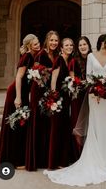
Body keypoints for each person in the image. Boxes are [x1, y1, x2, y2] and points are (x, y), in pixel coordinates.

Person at [44, 34, 106, 186]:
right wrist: (97, 89)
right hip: (94, 96)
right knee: (95, 126)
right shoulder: (91, 57)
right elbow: (89, 76)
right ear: (102, 43)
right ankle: (93, 157)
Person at [0, 34, 40, 168]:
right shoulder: (27, 57)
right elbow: (19, 77)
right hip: (16, 94)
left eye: (38, 43)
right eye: (35, 44)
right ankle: (13, 161)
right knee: (15, 127)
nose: (38, 45)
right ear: (28, 46)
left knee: (20, 127)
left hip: (23, 94)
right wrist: (18, 97)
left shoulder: (33, 57)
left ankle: (16, 159)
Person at [25, 30, 60, 171]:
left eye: (56, 40)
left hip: (49, 92)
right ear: (47, 40)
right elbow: (36, 75)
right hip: (39, 91)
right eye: (51, 40)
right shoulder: (41, 55)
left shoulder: (57, 55)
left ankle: (48, 158)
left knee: (48, 125)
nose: (54, 43)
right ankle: (37, 160)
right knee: (38, 123)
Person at [48, 37, 75, 169]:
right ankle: (55, 161)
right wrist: (53, 99)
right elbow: (53, 80)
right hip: (58, 99)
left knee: (64, 128)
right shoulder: (59, 60)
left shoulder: (69, 60)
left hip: (66, 99)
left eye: (71, 45)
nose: (69, 47)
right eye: (66, 45)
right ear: (61, 48)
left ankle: (63, 160)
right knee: (57, 129)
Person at [69, 36, 92, 157]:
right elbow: (73, 79)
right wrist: (83, 83)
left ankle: (90, 152)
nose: (83, 47)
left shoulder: (93, 59)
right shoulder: (74, 61)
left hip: (91, 95)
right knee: (78, 124)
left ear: (89, 45)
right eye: (80, 45)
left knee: (90, 123)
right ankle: (79, 153)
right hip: (78, 96)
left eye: (85, 44)